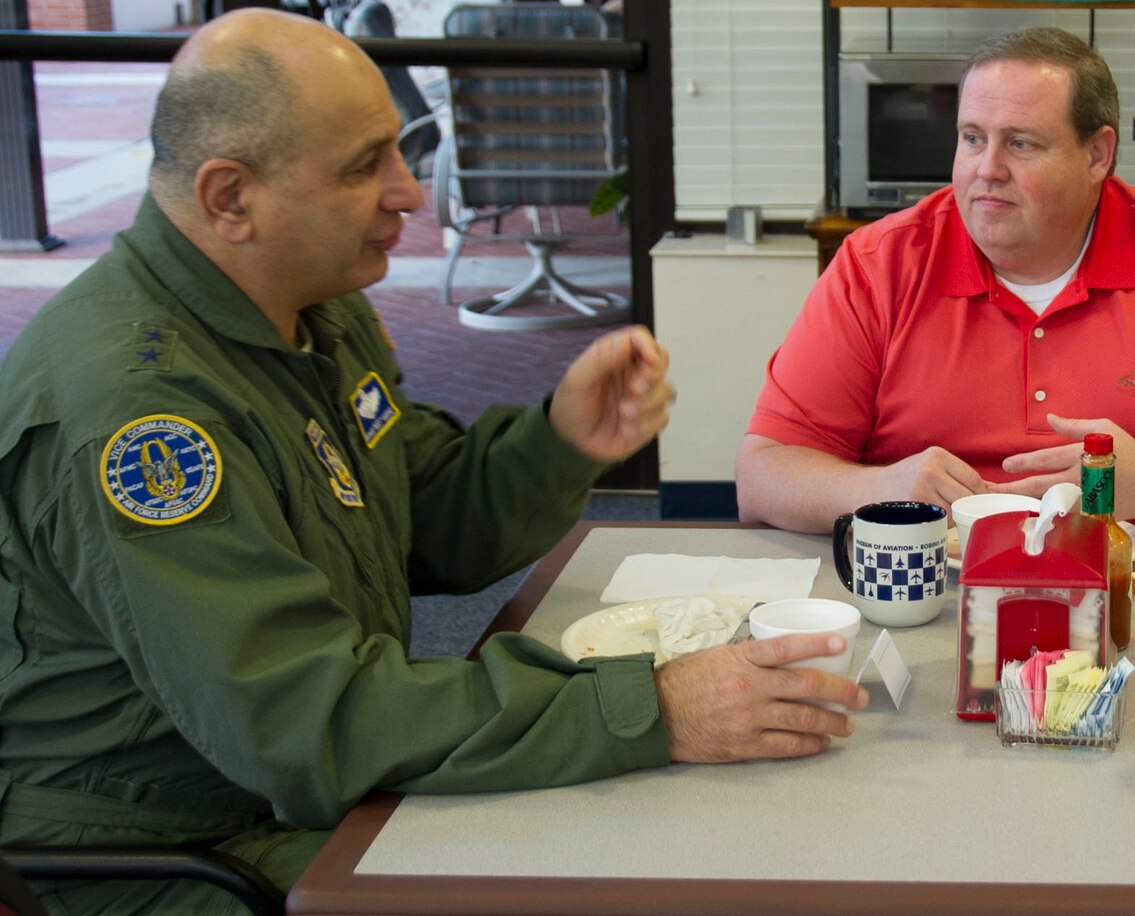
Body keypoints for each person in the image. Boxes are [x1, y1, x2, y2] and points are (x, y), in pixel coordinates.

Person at [0, 11, 864, 911]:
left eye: (400, 152)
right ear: (229, 198)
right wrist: (653, 707)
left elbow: (427, 527)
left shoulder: (308, 314)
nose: (409, 192)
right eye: (361, 166)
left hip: (308, 795)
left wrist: (554, 444)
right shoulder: (139, 419)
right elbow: (308, 720)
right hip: (176, 853)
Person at [736, 26, 1135, 537]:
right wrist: (878, 489)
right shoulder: (878, 264)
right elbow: (762, 477)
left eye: (1020, 143)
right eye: (972, 138)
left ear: (1098, 155)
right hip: (927, 590)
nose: (986, 171)